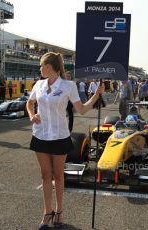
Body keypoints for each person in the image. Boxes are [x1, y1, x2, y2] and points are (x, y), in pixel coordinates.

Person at [26, 52, 104, 229]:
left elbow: (81, 109)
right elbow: (29, 103)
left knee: (58, 176)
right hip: (40, 134)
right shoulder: (38, 84)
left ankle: (59, 211)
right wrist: (32, 115)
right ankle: (47, 212)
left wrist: (96, 95)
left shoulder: (69, 85)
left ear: (50, 66)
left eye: (41, 65)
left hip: (60, 136)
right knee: (45, 175)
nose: (40, 68)